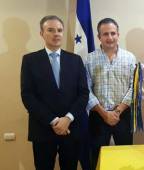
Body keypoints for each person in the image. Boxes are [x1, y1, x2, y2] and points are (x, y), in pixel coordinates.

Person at [20, 15, 89, 170]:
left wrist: (68, 118)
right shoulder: (30, 60)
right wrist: (53, 121)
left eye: (59, 30)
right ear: (41, 33)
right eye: (50, 30)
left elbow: (84, 93)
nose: (56, 34)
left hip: (71, 128)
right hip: (43, 129)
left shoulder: (75, 60)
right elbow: (27, 95)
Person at [85, 18, 136, 170]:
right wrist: (104, 113)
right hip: (98, 116)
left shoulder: (130, 58)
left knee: (125, 157)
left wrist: (118, 111)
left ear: (118, 34)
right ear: (99, 37)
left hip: (123, 115)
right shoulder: (89, 59)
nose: (110, 37)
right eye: (105, 34)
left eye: (113, 33)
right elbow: (86, 90)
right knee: (97, 158)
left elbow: (134, 88)